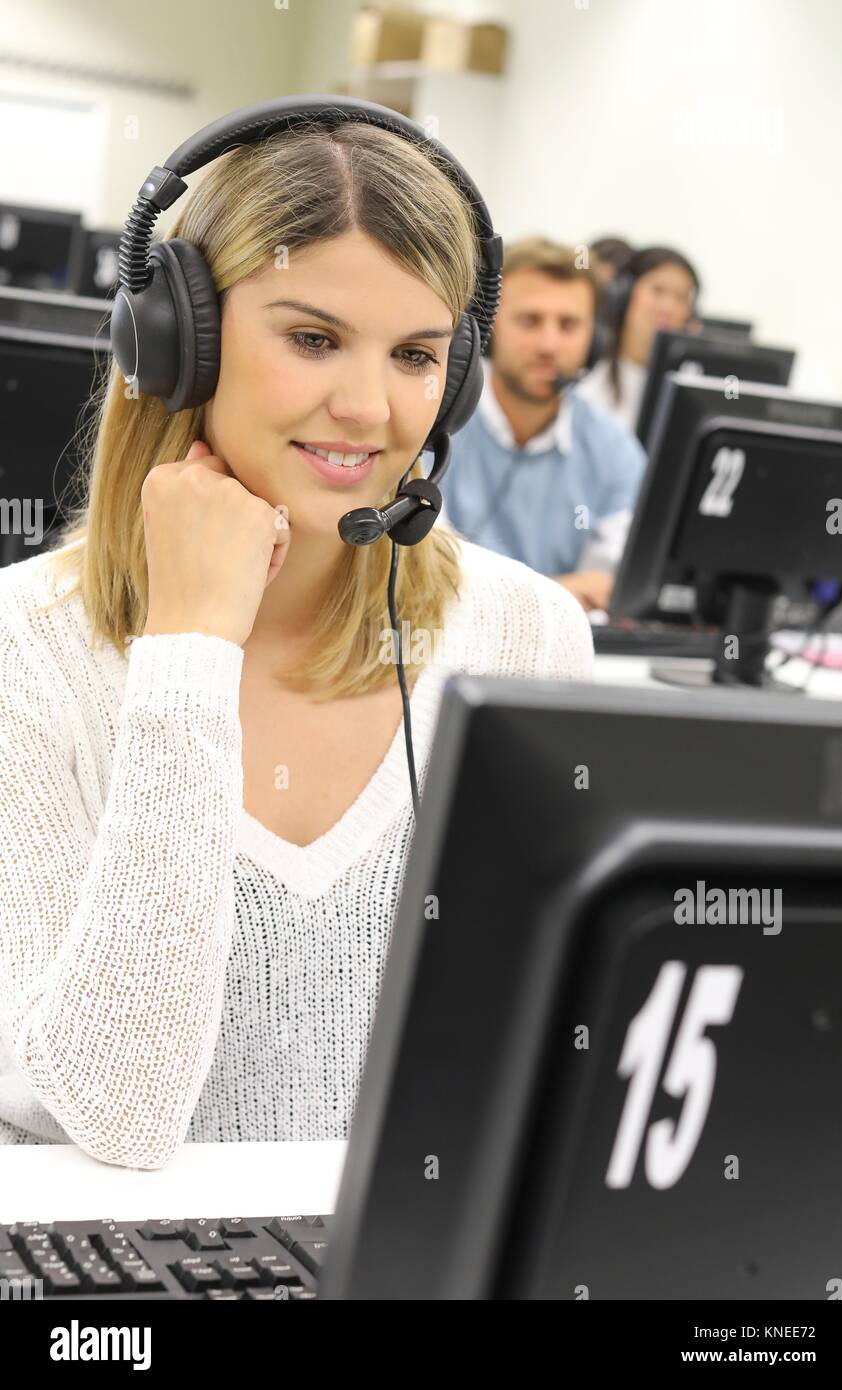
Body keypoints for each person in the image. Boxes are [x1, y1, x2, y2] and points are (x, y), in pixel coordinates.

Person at [0, 107, 593, 1167]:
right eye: (312, 337)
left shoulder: (524, 634)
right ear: (181, 343)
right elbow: (114, 1111)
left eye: (414, 354)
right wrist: (188, 651)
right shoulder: (23, 650)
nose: (367, 407)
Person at [439, 236, 647, 613]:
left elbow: (608, 586)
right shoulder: (434, 424)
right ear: (488, 329)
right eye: (530, 321)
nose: (549, 344)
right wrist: (555, 593)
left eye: (568, 325)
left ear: (595, 340)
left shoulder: (615, 450)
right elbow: (431, 575)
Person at [579, 245, 700, 432]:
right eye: (658, 291)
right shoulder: (588, 386)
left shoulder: (689, 390)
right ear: (625, 295)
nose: (667, 308)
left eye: (681, 298)